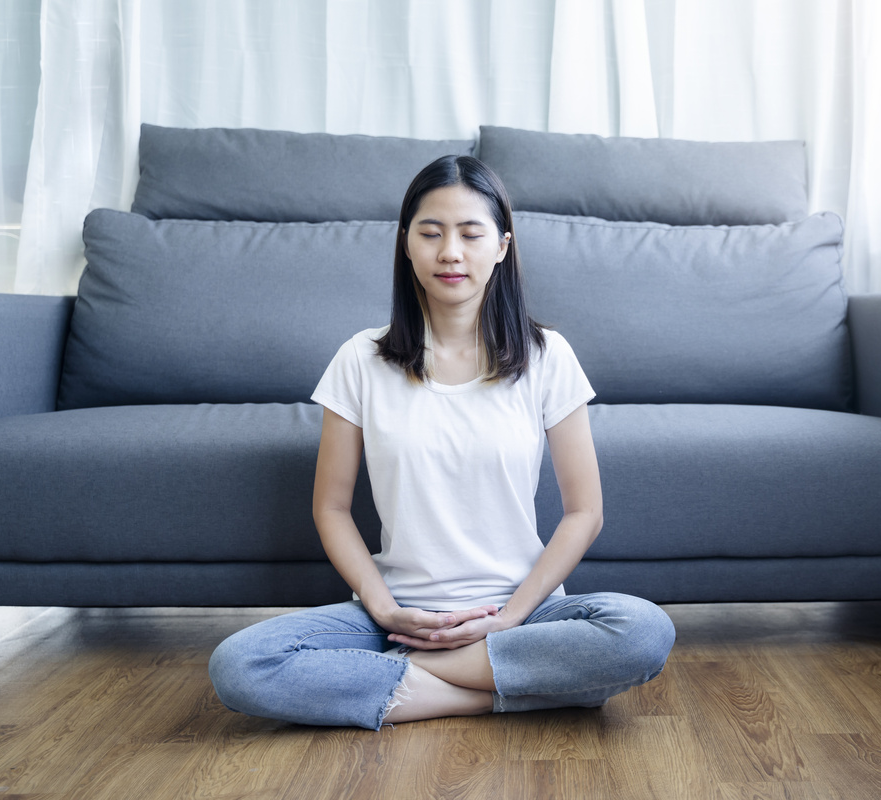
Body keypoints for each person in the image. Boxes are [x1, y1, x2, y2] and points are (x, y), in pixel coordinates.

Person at [208, 154, 675, 729]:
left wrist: (509, 619)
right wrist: (382, 607)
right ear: (406, 244)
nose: (450, 252)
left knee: (644, 630)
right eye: (430, 234)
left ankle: (422, 683)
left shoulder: (547, 356)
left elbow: (585, 513)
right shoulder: (361, 359)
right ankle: (527, 688)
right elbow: (330, 509)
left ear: (502, 246)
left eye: (470, 234)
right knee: (240, 665)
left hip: (522, 617)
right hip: (395, 618)